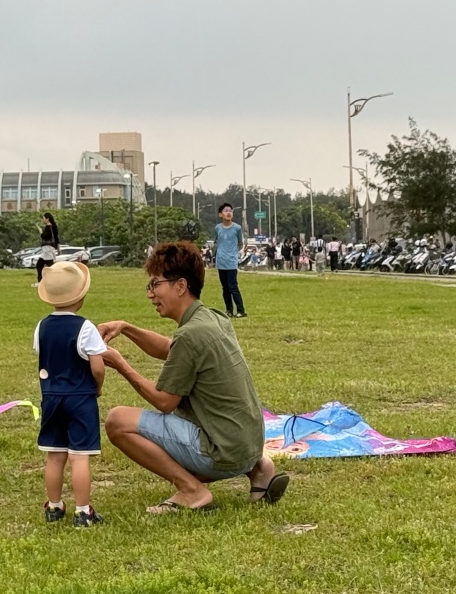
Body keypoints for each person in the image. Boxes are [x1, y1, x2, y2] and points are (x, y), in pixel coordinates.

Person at [97, 241, 289, 513]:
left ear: (180, 286)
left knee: (118, 421)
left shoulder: (190, 335)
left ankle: (192, 491)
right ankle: (260, 470)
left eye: (155, 284)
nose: (150, 294)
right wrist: (126, 328)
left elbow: (165, 402)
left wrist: (120, 364)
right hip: (249, 444)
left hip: (221, 453)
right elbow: (170, 348)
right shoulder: (213, 318)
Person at [34, 261, 108, 527]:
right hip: (80, 398)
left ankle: (54, 506)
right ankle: (83, 511)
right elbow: (97, 366)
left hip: (51, 397)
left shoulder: (41, 327)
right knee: (80, 457)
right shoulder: (85, 327)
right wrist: (97, 386)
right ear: (81, 297)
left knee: (54, 455)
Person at [213, 203, 246, 318]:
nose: (229, 213)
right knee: (225, 288)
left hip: (231, 262)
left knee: (233, 286)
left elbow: (240, 243)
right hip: (221, 262)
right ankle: (229, 310)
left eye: (230, 211)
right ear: (220, 214)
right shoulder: (217, 228)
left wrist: (234, 254)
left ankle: (241, 310)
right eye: (226, 211)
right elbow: (217, 241)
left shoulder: (237, 228)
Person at [33, 213, 59, 288]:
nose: (43, 220)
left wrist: (40, 232)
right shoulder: (52, 227)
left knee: (46, 265)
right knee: (41, 265)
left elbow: (45, 237)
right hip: (49, 249)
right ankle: (41, 282)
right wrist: (58, 247)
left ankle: (54, 280)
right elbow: (56, 238)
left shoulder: (48, 227)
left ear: (47, 219)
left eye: (44, 218)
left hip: (47, 249)